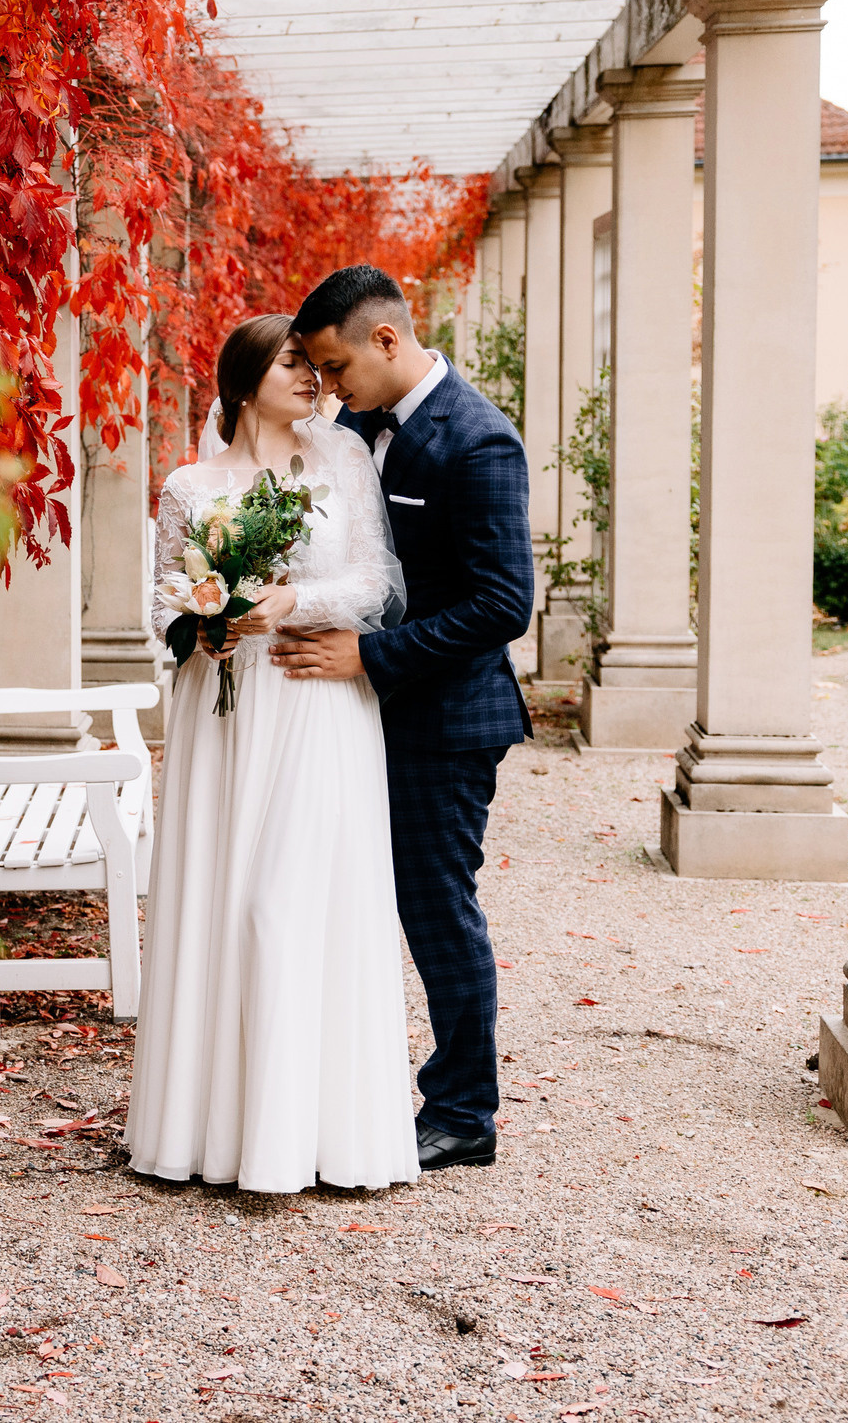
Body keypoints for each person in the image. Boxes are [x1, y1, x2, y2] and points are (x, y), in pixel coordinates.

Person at [123, 313, 419, 1193]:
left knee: (289, 903)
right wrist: (203, 629)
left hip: (317, 697)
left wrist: (291, 602)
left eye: (313, 363)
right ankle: (212, 1133)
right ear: (246, 382)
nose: (312, 376)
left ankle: (310, 1135)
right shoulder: (188, 485)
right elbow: (163, 603)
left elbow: (375, 581)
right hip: (226, 710)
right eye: (291, 362)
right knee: (220, 900)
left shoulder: (345, 459)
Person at [271, 264, 535, 1172]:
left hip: (448, 720)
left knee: (435, 909)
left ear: (386, 339)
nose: (328, 387)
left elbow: (503, 604)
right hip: (356, 716)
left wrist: (370, 656)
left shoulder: (480, 440)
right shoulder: (354, 428)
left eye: (337, 367)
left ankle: (464, 1111)